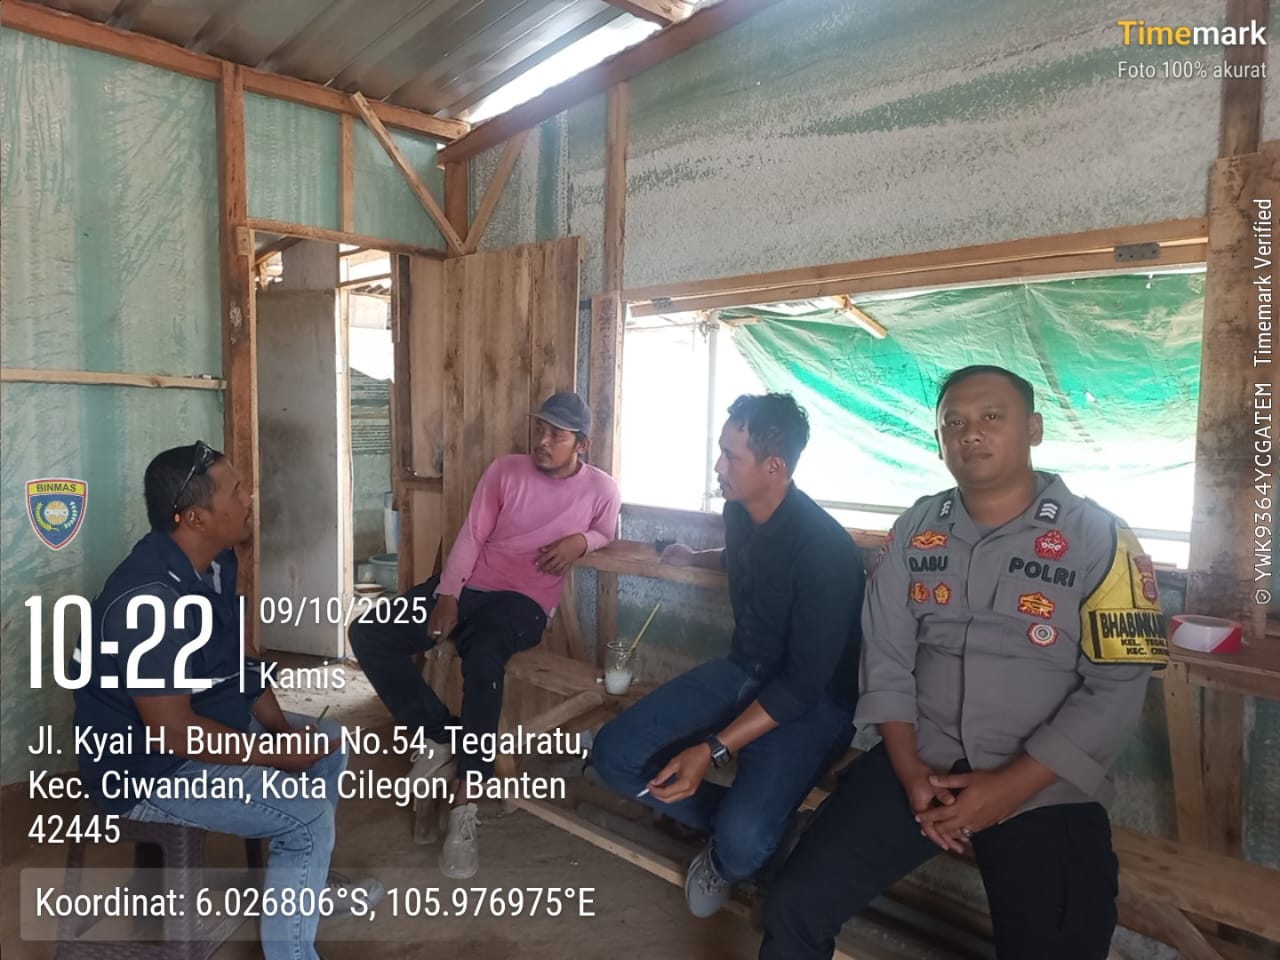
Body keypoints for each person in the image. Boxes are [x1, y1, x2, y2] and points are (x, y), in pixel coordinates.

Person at [760, 366, 1169, 960]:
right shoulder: (916, 528)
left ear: (1034, 429)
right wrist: (908, 770)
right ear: (939, 441)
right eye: (954, 422)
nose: (970, 433)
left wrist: (1008, 789)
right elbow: (887, 654)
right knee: (794, 904)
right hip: (921, 760)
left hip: (1043, 783)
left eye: (991, 417)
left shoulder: (1102, 538)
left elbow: (1117, 689)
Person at [73, 442, 379, 960]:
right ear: (195, 517)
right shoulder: (147, 601)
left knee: (327, 742)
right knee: (307, 819)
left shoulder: (215, 563)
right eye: (236, 491)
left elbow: (238, 658)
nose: (249, 497)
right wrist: (273, 755)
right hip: (145, 770)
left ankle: (302, 886)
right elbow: (173, 732)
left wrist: (282, 733)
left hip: (196, 729)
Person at [591, 393, 864, 919]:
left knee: (741, 847)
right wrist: (697, 556)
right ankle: (759, 830)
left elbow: (802, 686)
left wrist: (711, 751)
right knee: (612, 756)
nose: (718, 466)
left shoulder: (825, 552)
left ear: (774, 466)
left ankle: (736, 848)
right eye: (720, 451)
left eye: (730, 456)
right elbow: (748, 558)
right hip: (744, 669)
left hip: (814, 701)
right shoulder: (740, 512)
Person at [349, 391, 622, 879]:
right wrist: (448, 594)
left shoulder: (601, 489)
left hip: (524, 602)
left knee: (483, 657)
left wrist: (581, 540)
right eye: (539, 429)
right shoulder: (505, 471)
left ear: (582, 444)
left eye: (556, 435)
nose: (542, 441)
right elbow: (472, 535)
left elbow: (607, 530)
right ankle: (442, 735)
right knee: (369, 631)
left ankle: (464, 807)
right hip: (470, 585)